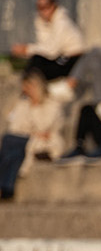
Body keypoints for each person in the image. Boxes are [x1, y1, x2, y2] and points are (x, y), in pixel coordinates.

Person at [0, 71, 65, 200]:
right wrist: (33, 133)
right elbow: (15, 127)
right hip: (26, 140)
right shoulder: (23, 104)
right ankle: (7, 188)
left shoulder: (52, 104)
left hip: (47, 142)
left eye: (28, 87)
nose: (25, 90)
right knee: (14, 152)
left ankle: (5, 188)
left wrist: (34, 108)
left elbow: (45, 126)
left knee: (8, 142)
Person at [10, 0, 85, 81]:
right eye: (39, 7)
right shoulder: (44, 22)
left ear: (53, 6)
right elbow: (44, 45)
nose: (43, 11)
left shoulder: (61, 23)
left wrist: (27, 49)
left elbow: (51, 51)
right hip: (60, 58)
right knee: (36, 62)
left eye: (46, 6)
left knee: (37, 64)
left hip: (72, 61)